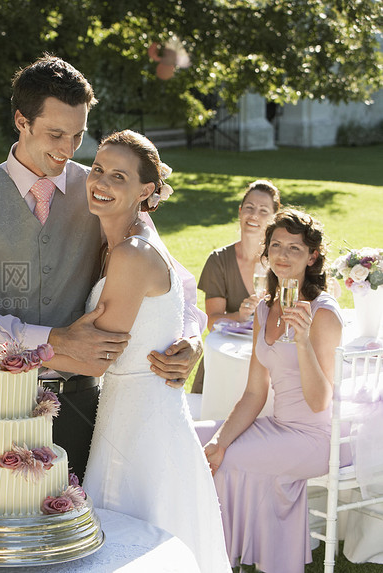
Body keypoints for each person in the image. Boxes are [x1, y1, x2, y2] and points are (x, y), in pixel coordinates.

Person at [0, 55, 205, 480]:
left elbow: (172, 277)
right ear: (21, 120)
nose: (68, 149)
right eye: (56, 134)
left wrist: (192, 337)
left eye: (78, 135)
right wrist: (56, 339)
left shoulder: (102, 188)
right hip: (0, 399)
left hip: (86, 405)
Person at [60, 130, 230, 572]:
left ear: (146, 191)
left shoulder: (133, 252)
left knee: (133, 539)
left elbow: (98, 354)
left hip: (141, 421)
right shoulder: (123, 236)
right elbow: (182, 293)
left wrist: (15, 356)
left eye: (119, 176)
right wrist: (191, 333)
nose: (101, 182)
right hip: (128, 408)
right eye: (98, 169)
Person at [196, 208, 342, 573]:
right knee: (195, 439)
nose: (282, 254)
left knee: (229, 460)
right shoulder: (264, 309)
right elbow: (253, 394)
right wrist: (220, 440)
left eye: (294, 248)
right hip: (276, 425)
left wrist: (304, 341)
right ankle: (197, 547)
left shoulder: (323, 313)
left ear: (313, 256)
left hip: (314, 438)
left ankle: (218, 560)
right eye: (276, 245)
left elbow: (320, 401)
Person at [192, 179, 281, 393]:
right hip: (226, 358)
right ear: (240, 211)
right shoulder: (219, 261)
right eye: (249, 208)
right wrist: (239, 317)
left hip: (270, 359)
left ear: (274, 218)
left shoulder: (281, 261)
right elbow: (212, 322)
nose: (254, 215)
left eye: (263, 211)